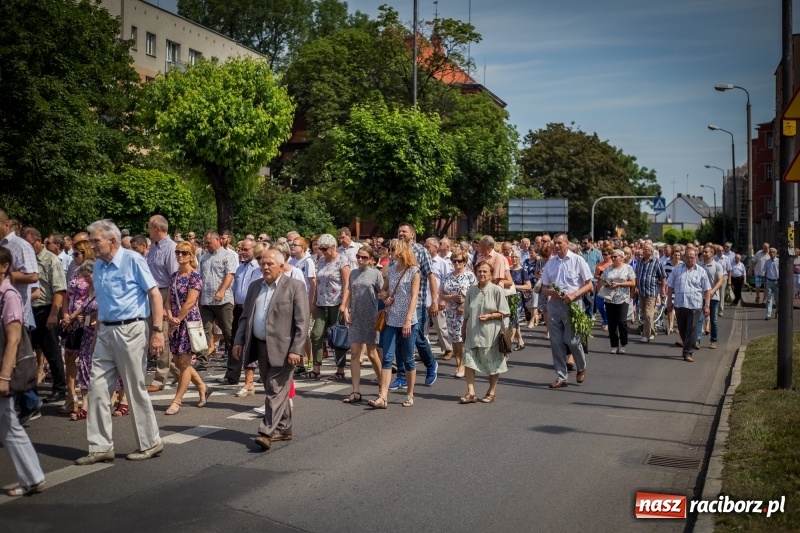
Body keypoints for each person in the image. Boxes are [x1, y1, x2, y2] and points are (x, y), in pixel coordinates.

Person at [75, 219, 165, 465]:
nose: (92, 245)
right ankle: (100, 447)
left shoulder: (133, 260)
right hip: (105, 331)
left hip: (130, 329)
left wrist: (157, 331)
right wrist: (97, 334)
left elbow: (154, 295)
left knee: (134, 388)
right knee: (96, 388)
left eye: (96, 241)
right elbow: (103, 303)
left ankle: (150, 443)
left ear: (112, 240)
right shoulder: (98, 266)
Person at [232, 249, 309, 451]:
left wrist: (296, 349)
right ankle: (284, 428)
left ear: (281, 267)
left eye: (270, 264)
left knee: (275, 389)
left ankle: (266, 432)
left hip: (284, 349)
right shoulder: (255, 286)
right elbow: (245, 317)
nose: (265, 267)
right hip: (260, 345)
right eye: (263, 263)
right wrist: (239, 341)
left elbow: (302, 322)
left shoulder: (295, 287)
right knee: (272, 387)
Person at [0, 246, 46, 496]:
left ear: (4, 266)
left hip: (4, 369)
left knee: (8, 425)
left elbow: (13, 339)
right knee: (8, 425)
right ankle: (32, 477)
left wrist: (4, 377)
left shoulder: (8, 296)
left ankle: (33, 477)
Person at [369, 239, 420, 409]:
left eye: (393, 249)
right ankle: (383, 397)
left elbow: (414, 297)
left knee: (408, 358)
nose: (390, 252)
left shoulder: (414, 271)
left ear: (402, 250)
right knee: (387, 358)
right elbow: (382, 291)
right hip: (391, 319)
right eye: (390, 249)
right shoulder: (391, 270)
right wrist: (385, 297)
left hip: (408, 321)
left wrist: (408, 320)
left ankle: (410, 394)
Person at [389, 223, 440, 390]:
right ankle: (402, 376)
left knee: (417, 338)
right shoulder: (395, 250)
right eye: (399, 231)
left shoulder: (421, 251)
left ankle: (431, 364)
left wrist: (434, 301)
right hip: (398, 304)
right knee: (399, 340)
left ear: (412, 234)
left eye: (404, 231)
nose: (401, 233)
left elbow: (431, 276)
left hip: (417, 302)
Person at [165, 241, 212, 415]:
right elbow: (168, 300)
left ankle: (177, 401)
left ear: (191, 256)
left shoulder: (195, 276)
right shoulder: (174, 276)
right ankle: (202, 386)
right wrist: (169, 316)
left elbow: (191, 301)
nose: (180, 255)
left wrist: (177, 319)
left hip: (188, 322)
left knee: (184, 364)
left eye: (184, 253)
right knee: (178, 362)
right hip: (175, 322)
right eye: (178, 252)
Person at [540, 233, 592, 388]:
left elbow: (589, 285)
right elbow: (544, 288)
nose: (556, 246)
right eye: (555, 243)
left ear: (567, 244)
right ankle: (561, 377)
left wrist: (574, 294)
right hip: (555, 305)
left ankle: (581, 367)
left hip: (573, 304)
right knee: (556, 342)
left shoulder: (577, 260)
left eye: (559, 243)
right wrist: (552, 292)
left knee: (572, 341)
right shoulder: (550, 264)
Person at [22, 227, 68, 404]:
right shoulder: (26, 260)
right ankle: (28, 390)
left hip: (46, 309)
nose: (27, 247)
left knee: (52, 351)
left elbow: (59, 289)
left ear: (39, 241)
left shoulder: (51, 260)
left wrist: (53, 314)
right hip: (29, 309)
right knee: (27, 352)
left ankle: (60, 388)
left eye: (29, 244)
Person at [458, 260, 511, 404]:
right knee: (469, 362)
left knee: (492, 363)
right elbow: (466, 314)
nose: (481, 274)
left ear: (491, 274)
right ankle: (471, 392)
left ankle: (491, 392)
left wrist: (490, 316)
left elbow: (505, 312)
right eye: (479, 271)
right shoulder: (471, 291)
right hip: (472, 332)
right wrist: (463, 329)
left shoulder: (496, 290)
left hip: (490, 334)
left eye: (485, 271)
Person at [304, 234, 350, 381]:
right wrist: (313, 301)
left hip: (336, 303)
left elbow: (347, 284)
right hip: (321, 303)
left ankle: (340, 369)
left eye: (325, 249)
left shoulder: (342, 261)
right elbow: (318, 283)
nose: (322, 251)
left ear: (333, 247)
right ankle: (316, 368)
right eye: (320, 248)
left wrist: (344, 304)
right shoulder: (321, 260)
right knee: (316, 334)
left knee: (337, 337)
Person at [341, 246, 383, 403]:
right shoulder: (353, 273)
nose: (360, 259)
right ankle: (355, 391)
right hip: (355, 316)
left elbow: (382, 293)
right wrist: (346, 309)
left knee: (372, 354)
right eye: (358, 256)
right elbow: (350, 292)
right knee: (354, 353)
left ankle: (382, 384)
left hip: (371, 316)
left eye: (364, 257)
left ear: (371, 259)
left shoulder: (376, 274)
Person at [145, 215, 179, 392]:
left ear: (157, 228)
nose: (148, 231)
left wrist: (167, 305)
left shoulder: (171, 248)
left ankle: (159, 379)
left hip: (164, 292)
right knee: (149, 334)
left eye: (149, 227)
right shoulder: (153, 247)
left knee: (162, 336)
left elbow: (174, 279)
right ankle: (178, 371)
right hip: (151, 293)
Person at [60, 239, 93, 414]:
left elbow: (91, 298)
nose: (74, 257)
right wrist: (66, 315)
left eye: (76, 254)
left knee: (85, 360)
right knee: (69, 357)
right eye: (73, 254)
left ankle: (88, 398)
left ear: (85, 253)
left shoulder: (92, 271)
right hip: (71, 320)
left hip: (83, 319)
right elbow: (67, 295)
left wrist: (73, 316)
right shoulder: (75, 271)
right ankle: (71, 395)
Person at [196, 231, 237, 372]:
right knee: (204, 330)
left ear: (218, 240)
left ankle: (234, 359)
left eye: (209, 242)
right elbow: (200, 277)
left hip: (223, 300)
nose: (206, 245)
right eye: (205, 243)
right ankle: (201, 360)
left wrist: (221, 290)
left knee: (228, 331)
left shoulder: (228, 255)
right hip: (206, 300)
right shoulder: (204, 257)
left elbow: (230, 275)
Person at [223, 237, 261, 388]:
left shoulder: (258, 267)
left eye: (246, 250)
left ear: (254, 249)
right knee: (235, 340)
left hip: (254, 308)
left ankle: (260, 373)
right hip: (239, 308)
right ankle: (232, 374)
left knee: (255, 341)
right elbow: (235, 290)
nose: (242, 252)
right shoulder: (239, 268)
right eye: (241, 250)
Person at [665, 248, 712, 362]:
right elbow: (670, 286)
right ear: (684, 257)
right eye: (688, 257)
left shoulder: (701, 271)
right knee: (682, 329)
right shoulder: (677, 270)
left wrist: (707, 305)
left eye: (692, 257)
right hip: (680, 304)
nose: (690, 259)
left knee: (692, 329)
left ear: (695, 257)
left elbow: (707, 290)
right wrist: (669, 301)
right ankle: (687, 346)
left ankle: (688, 352)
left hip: (695, 305)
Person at [440, 251, 476, 379]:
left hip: (464, 312)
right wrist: (451, 297)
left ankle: (462, 366)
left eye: (459, 261)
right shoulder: (448, 276)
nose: (456, 263)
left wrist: (464, 304)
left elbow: (475, 294)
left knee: (460, 338)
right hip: (450, 311)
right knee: (454, 339)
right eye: (454, 261)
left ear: (465, 262)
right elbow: (441, 294)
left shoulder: (470, 276)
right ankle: (458, 364)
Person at [596, 250, 636, 354]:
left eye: (615, 257)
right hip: (610, 298)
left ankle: (623, 344)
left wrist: (619, 284)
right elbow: (602, 280)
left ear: (621, 258)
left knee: (622, 322)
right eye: (612, 257)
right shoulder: (608, 268)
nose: (613, 258)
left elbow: (632, 283)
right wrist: (607, 284)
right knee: (612, 322)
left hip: (623, 298)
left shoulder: (628, 268)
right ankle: (614, 345)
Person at [425, 237, 453, 359]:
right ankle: (424, 352)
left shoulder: (442, 263)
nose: (426, 249)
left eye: (428, 247)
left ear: (435, 248)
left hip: (436, 300)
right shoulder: (422, 261)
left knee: (440, 327)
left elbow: (446, 282)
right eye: (425, 247)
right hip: (422, 299)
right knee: (422, 328)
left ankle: (448, 349)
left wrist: (443, 299)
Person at [634, 243, 666, 343]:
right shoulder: (639, 262)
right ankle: (652, 331)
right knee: (645, 314)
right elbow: (636, 276)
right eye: (643, 248)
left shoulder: (656, 262)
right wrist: (635, 288)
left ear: (651, 252)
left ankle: (645, 335)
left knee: (648, 314)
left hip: (651, 292)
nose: (643, 250)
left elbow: (663, 277)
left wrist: (663, 290)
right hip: (641, 292)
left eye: (646, 249)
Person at [698, 246, 725, 349]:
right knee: (699, 319)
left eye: (706, 252)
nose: (704, 254)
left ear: (712, 254)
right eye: (703, 252)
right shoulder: (699, 265)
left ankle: (713, 340)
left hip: (714, 297)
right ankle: (697, 340)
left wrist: (713, 291)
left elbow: (720, 280)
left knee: (714, 320)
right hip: (701, 297)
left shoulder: (717, 266)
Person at [509, 250, 531, 350]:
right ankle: (520, 341)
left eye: (516, 257)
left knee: (513, 319)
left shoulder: (523, 271)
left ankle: (508, 345)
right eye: (512, 257)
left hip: (517, 298)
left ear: (520, 259)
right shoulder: (508, 270)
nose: (514, 259)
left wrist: (515, 287)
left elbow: (528, 286)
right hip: (508, 297)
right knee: (515, 319)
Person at [594, 246, 613, 331]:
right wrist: (600, 277)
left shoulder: (612, 264)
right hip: (600, 288)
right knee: (600, 306)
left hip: (609, 289)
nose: (604, 256)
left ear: (610, 255)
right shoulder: (599, 264)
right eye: (603, 254)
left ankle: (607, 323)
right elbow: (595, 275)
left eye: (606, 254)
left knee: (609, 308)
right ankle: (605, 321)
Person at [764, 247, 779, 320]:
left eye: (773, 252)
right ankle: (768, 314)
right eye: (770, 252)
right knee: (769, 299)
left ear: (776, 253)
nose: (771, 253)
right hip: (769, 281)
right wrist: (765, 281)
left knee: (777, 299)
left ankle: (777, 312)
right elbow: (765, 272)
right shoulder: (767, 262)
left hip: (776, 281)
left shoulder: (778, 261)